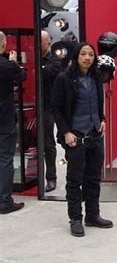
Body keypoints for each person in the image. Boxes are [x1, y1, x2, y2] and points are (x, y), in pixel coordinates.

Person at [52, 42, 113, 237]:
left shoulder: (96, 78)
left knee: (94, 178)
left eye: (91, 55)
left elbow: (98, 103)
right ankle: (76, 219)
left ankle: (92, 215)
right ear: (76, 56)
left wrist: (102, 119)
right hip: (75, 137)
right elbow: (56, 109)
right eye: (83, 54)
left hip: (95, 135)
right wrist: (66, 132)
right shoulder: (64, 79)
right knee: (74, 180)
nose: (87, 58)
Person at [0, 31, 27, 215]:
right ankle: (4, 201)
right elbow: (22, 75)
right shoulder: (7, 66)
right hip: (5, 119)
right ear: (3, 45)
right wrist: (13, 62)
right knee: (5, 159)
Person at [41, 31, 62, 192]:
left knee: (48, 143)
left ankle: (51, 178)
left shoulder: (55, 61)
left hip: (47, 107)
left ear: (48, 43)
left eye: (41, 41)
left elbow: (45, 73)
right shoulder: (32, 58)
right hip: (31, 106)